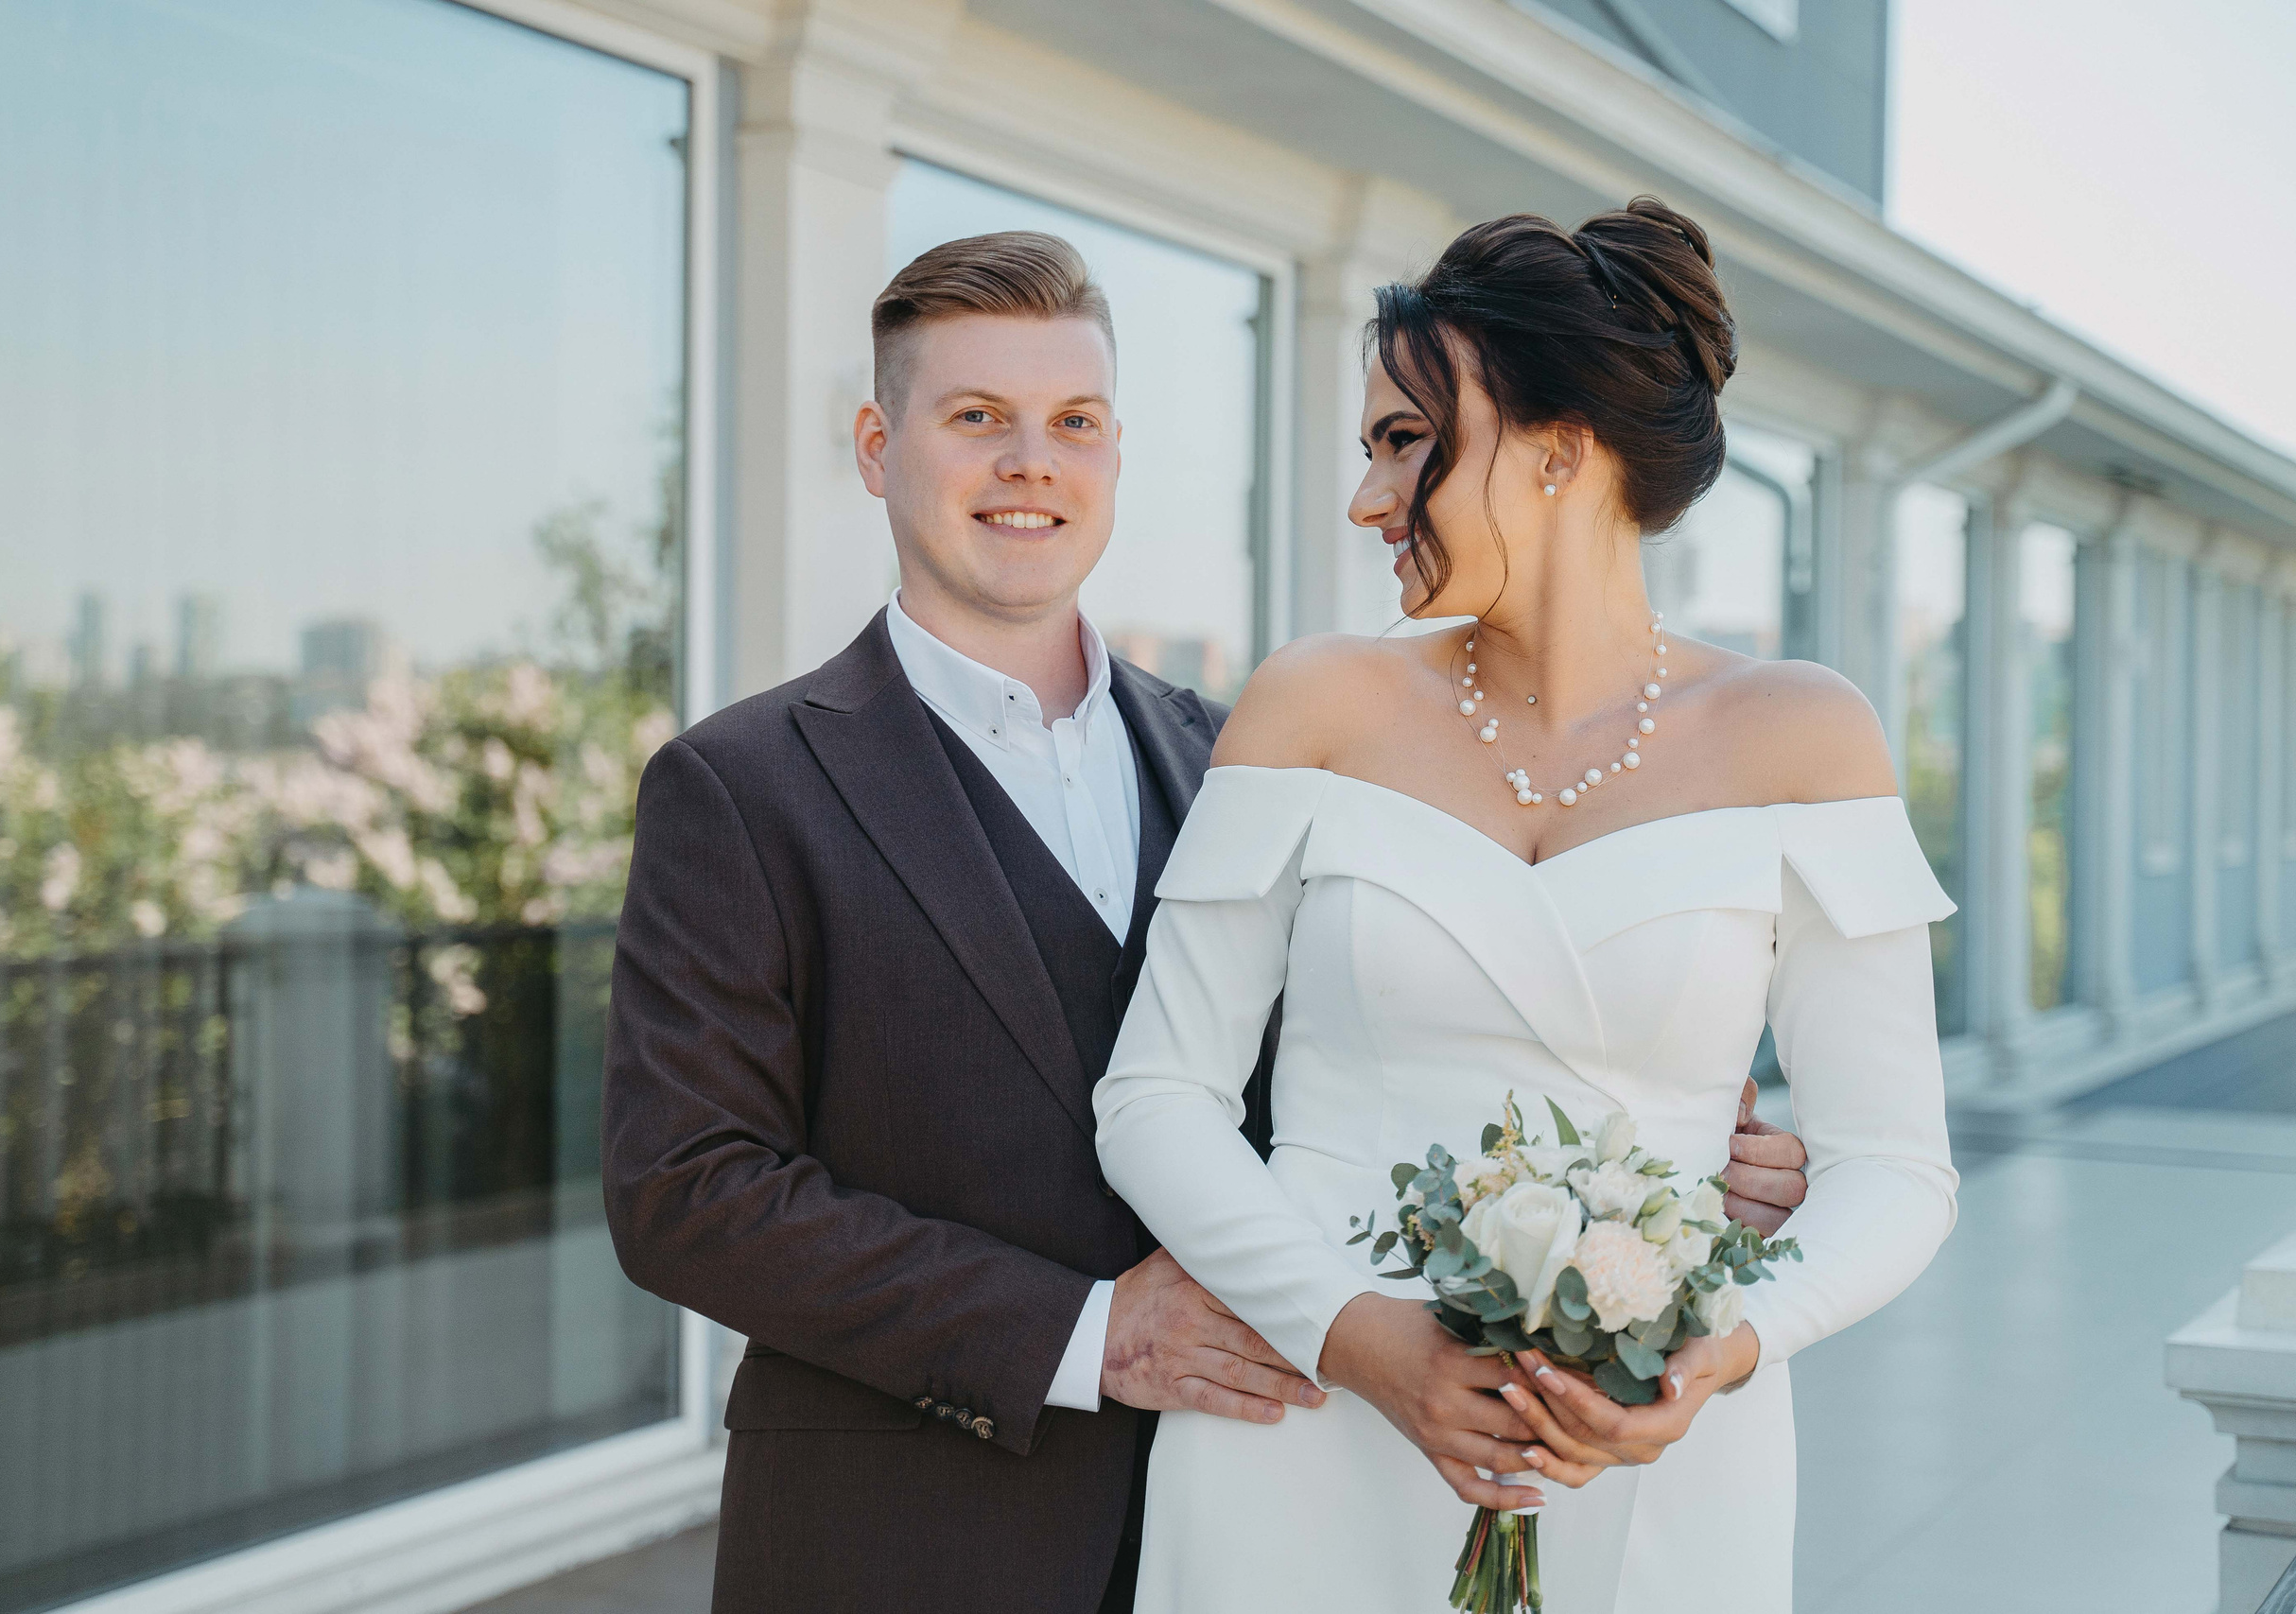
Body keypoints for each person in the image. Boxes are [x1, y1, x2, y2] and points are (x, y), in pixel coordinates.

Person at [601, 229, 1810, 1614]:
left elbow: (1380, 1039)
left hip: (1270, 1505)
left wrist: (1661, 1141)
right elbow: (685, 1193)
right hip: (910, 1530)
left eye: (1074, 422)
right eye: (975, 418)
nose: (1029, 462)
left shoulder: (1248, 756)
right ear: (878, 447)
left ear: (1116, 456)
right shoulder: (741, 785)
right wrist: (1087, 1332)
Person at [1092, 199, 1958, 1613]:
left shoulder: (1808, 736)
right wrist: (1357, 1339)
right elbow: (1155, 1095)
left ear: (1559, 450)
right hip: (1307, 1421)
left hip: (1652, 1448)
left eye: (1405, 442)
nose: (1370, 499)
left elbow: (1895, 1169)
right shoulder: (1316, 701)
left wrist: (1715, 1352)